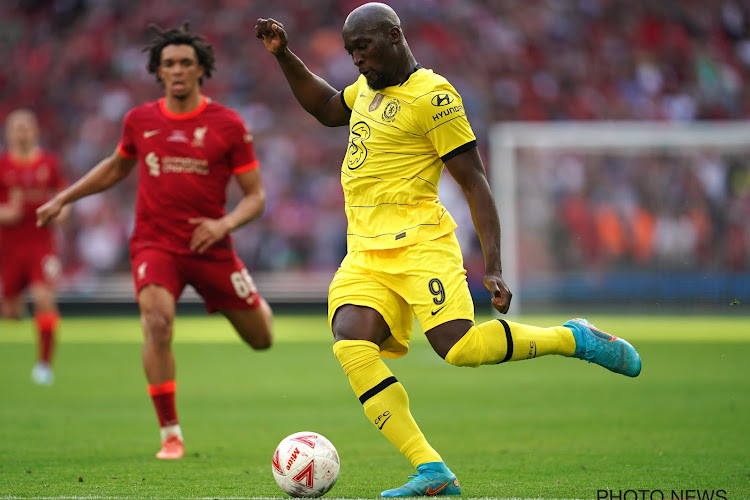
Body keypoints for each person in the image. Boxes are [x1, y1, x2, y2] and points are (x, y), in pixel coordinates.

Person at [255, 3, 641, 497]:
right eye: (351, 52)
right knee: (351, 340)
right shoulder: (367, 90)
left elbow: (475, 182)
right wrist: (284, 54)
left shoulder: (434, 97)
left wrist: (495, 266)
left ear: (394, 37)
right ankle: (432, 470)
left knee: (458, 349)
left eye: (364, 48)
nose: (357, 61)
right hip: (365, 253)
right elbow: (328, 109)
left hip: (421, 245)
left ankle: (572, 338)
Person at [37, 23, 274, 460]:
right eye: (169, 64)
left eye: (186, 62)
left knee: (262, 338)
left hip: (211, 246)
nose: (178, 70)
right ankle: (170, 432)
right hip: (155, 244)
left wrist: (225, 226)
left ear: (201, 69)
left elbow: (256, 197)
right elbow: (113, 168)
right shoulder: (139, 120)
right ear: (158, 72)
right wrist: (62, 198)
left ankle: (249, 302)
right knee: (157, 323)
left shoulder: (228, 124)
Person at [0, 109, 68, 386]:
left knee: (43, 299)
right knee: (11, 313)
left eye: (26, 127)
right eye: (17, 128)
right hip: (10, 246)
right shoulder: (3, 166)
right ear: (8, 133)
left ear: (36, 131)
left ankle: (44, 365)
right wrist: (6, 212)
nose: (22, 132)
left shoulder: (50, 164)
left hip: (42, 244)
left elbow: (64, 196)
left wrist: (61, 212)